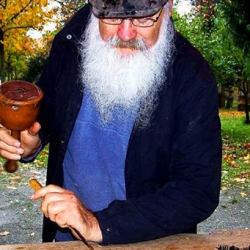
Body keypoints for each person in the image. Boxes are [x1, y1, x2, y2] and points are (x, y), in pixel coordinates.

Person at [0, 0, 222, 245]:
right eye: (112, 17)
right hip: (67, 239)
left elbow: (197, 190)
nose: (126, 33)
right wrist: (32, 143)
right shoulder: (70, 41)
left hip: (150, 242)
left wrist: (98, 224)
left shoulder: (192, 76)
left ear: (167, 8)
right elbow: (49, 111)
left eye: (144, 18)